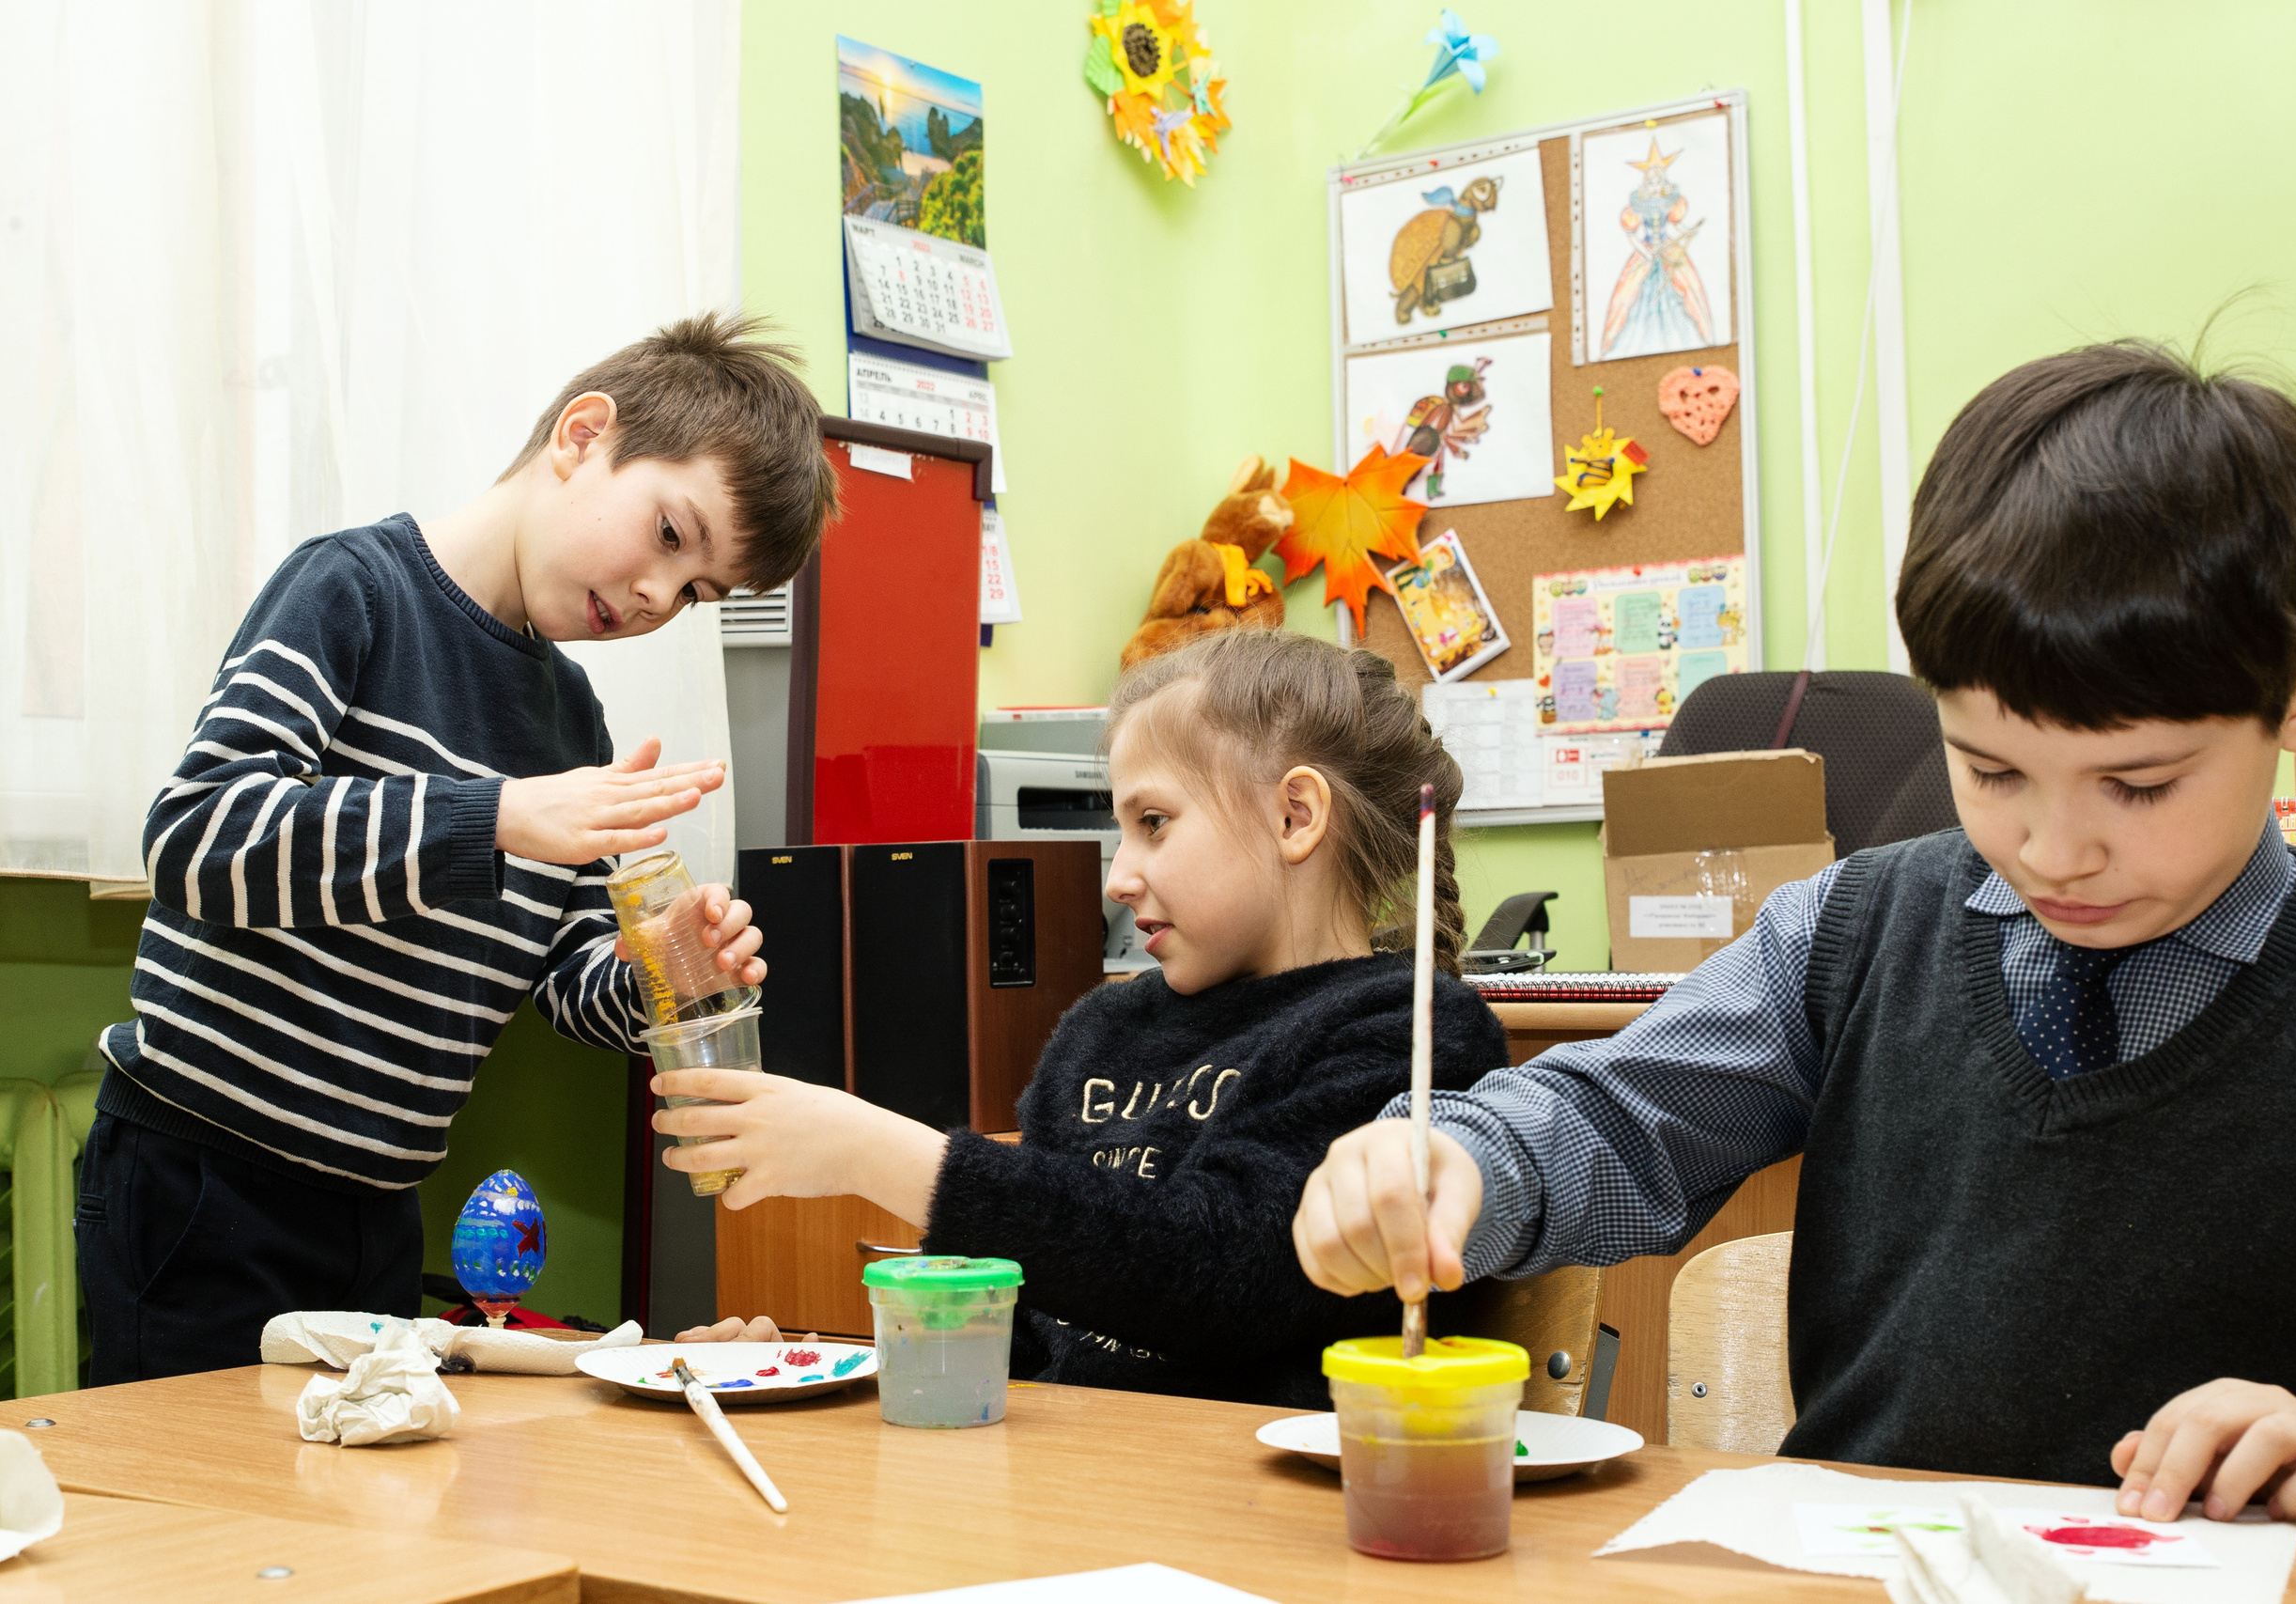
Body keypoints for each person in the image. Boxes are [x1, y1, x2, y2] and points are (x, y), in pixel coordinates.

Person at [1292, 340, 2296, 1522]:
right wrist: (1456, 1158)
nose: (2050, 849)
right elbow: (1615, 1117)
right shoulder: (1852, 932)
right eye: (1988, 769)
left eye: (2136, 786)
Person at [78, 312, 839, 1382]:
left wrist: (661, 968)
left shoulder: (571, 724)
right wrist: (495, 816)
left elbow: (564, 983)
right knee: (199, 1520)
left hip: (380, 1204)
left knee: (364, 1528)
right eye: (671, 538)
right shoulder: (354, 591)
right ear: (582, 436)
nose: (657, 599)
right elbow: (199, 835)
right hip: (204, 1178)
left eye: (696, 594)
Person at [666, 631, 1507, 1409]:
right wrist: (810, 1368)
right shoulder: (1100, 1033)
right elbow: (1031, 1343)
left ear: (1295, 816)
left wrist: (875, 1151)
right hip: (1071, 1496)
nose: (1119, 877)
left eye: (1153, 823)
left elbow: (1224, 1274)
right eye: (1120, 829)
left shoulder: (1413, 1031)